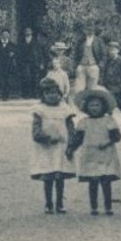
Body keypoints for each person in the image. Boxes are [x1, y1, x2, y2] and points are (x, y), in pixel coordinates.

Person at [66, 86, 121, 216]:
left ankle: (108, 207)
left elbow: (117, 137)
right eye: (91, 105)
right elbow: (77, 139)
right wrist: (71, 149)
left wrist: (107, 142)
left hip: (106, 154)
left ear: (103, 106)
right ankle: (94, 207)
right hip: (90, 155)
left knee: (106, 181)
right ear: (86, 107)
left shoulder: (108, 121)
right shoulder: (83, 122)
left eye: (97, 105)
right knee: (93, 181)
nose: (94, 108)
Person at [30, 77, 76, 214]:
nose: (52, 95)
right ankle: (48, 203)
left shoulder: (65, 109)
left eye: (55, 93)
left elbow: (71, 128)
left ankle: (60, 203)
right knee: (48, 175)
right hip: (46, 148)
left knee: (59, 175)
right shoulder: (39, 110)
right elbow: (36, 131)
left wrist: (71, 145)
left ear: (60, 94)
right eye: (48, 93)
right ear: (42, 95)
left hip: (61, 147)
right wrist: (47, 138)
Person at [101, 40, 121, 127]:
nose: (112, 52)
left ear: (118, 50)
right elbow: (103, 72)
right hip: (108, 85)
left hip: (117, 86)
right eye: (110, 50)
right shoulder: (107, 61)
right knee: (108, 104)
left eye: (114, 50)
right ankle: (109, 121)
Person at [73, 21, 107, 94]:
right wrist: (76, 65)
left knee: (92, 88)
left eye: (91, 29)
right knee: (79, 88)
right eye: (87, 29)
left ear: (94, 30)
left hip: (93, 66)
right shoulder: (81, 40)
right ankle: (79, 104)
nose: (89, 31)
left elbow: (104, 54)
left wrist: (100, 65)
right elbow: (76, 53)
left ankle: (89, 104)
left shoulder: (99, 41)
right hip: (82, 66)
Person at [17, 28, 45, 99]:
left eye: (29, 31)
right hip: (25, 63)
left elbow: (40, 53)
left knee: (35, 78)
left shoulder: (36, 42)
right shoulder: (21, 41)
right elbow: (19, 53)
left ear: (31, 33)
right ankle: (26, 94)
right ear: (24, 33)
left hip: (35, 63)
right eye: (26, 31)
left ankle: (35, 94)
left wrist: (41, 63)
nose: (27, 32)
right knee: (26, 78)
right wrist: (19, 62)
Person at [0, 29, 17, 101]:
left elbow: (16, 55)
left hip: (8, 66)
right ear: (1, 35)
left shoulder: (12, 45)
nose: (5, 36)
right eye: (4, 34)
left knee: (7, 81)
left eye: (6, 34)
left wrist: (13, 55)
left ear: (9, 35)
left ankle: (5, 96)